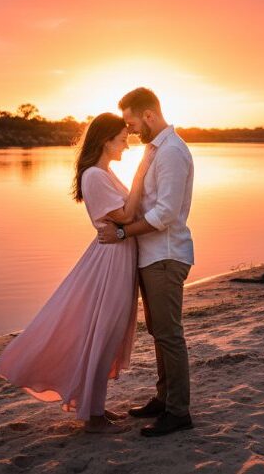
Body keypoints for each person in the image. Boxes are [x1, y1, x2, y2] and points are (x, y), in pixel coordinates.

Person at [0, 112, 155, 434]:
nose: (126, 145)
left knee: (107, 335)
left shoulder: (105, 173)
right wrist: (140, 177)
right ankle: (91, 414)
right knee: (101, 332)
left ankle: (93, 408)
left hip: (119, 257)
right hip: (109, 262)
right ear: (106, 141)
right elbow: (123, 215)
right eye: (122, 139)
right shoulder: (94, 175)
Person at [98, 87, 195, 437]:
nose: (131, 130)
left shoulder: (171, 152)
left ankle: (178, 412)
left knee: (169, 335)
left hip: (167, 255)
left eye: (132, 121)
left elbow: (166, 213)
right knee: (159, 332)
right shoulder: (155, 150)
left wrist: (123, 234)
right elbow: (142, 201)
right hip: (153, 255)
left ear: (149, 115)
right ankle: (163, 398)